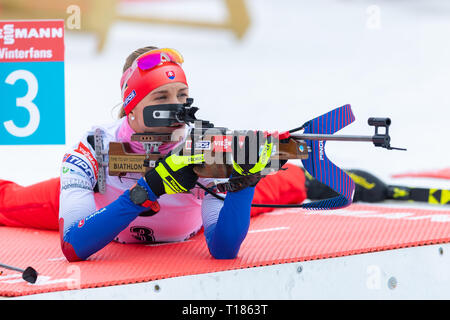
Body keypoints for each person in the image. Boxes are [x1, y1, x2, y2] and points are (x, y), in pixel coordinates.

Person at [0, 46, 307, 262]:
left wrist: (244, 183)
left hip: (189, 224)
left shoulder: (203, 147)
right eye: (161, 96)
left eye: (182, 95)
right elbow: (73, 245)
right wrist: (151, 188)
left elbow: (224, 250)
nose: (177, 107)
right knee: (11, 204)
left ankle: (312, 178)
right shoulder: (95, 145)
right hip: (101, 201)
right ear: (132, 106)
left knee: (272, 185)